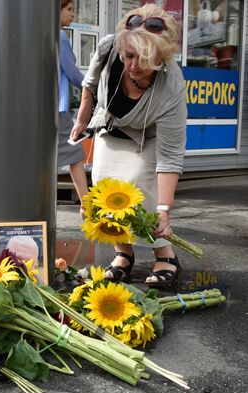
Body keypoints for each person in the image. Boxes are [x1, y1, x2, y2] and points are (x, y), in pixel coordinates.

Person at [70, 4, 187, 288]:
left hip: (149, 136)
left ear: (162, 56)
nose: (134, 66)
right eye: (130, 56)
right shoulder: (110, 47)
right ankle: (123, 253)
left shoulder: (172, 86)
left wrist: (164, 208)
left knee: (144, 192)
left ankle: (165, 254)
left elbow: (170, 156)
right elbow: (89, 83)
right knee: (105, 190)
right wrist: (82, 118)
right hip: (110, 126)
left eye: (145, 59)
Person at [58, 0, 89, 205]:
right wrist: (92, 87)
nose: (73, 15)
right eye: (69, 10)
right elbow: (71, 72)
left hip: (42, 107)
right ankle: (87, 205)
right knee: (76, 153)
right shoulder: (59, 36)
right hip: (58, 108)